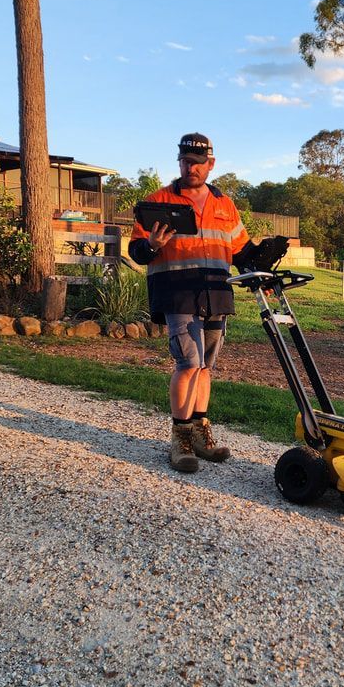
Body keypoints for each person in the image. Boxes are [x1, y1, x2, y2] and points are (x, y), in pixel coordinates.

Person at [128, 132, 256, 473]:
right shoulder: (157, 201)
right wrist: (153, 244)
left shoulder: (224, 205)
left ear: (210, 164)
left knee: (205, 367)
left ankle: (201, 433)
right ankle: (180, 438)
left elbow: (241, 250)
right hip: (177, 291)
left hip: (216, 292)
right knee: (187, 362)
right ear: (179, 161)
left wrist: (259, 270)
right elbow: (136, 250)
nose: (191, 168)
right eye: (185, 162)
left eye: (197, 163)